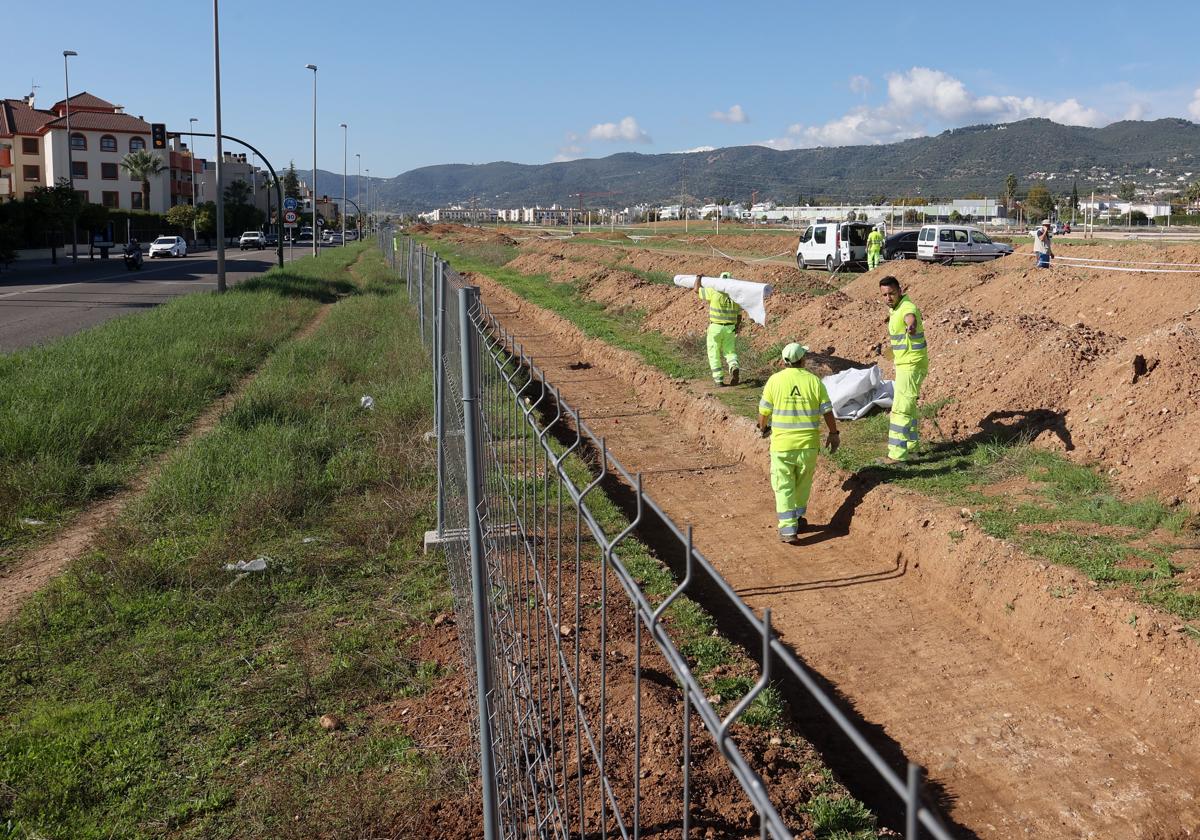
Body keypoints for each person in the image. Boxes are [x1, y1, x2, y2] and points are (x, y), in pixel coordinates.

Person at [757, 343, 840, 544]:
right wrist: (833, 433)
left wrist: (763, 428)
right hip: (808, 445)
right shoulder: (814, 382)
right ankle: (797, 517)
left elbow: (764, 412)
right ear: (803, 360)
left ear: (784, 362)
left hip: (782, 446)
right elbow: (827, 411)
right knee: (803, 482)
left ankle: (787, 528)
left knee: (784, 485)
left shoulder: (774, 381)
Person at [878, 275, 927, 463]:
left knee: (900, 409)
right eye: (884, 295)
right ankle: (912, 447)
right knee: (910, 407)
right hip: (906, 363)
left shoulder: (907, 307)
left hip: (911, 365)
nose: (888, 298)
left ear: (900, 290)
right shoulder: (896, 308)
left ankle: (897, 455)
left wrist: (911, 326)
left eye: (891, 293)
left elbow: (911, 318)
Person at [694, 270, 742, 386]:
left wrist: (699, 277)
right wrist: (736, 327)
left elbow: (696, 289)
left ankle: (718, 379)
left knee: (713, 352)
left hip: (715, 327)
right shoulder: (736, 296)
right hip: (730, 328)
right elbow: (739, 315)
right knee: (730, 351)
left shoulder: (714, 291)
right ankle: (733, 365)